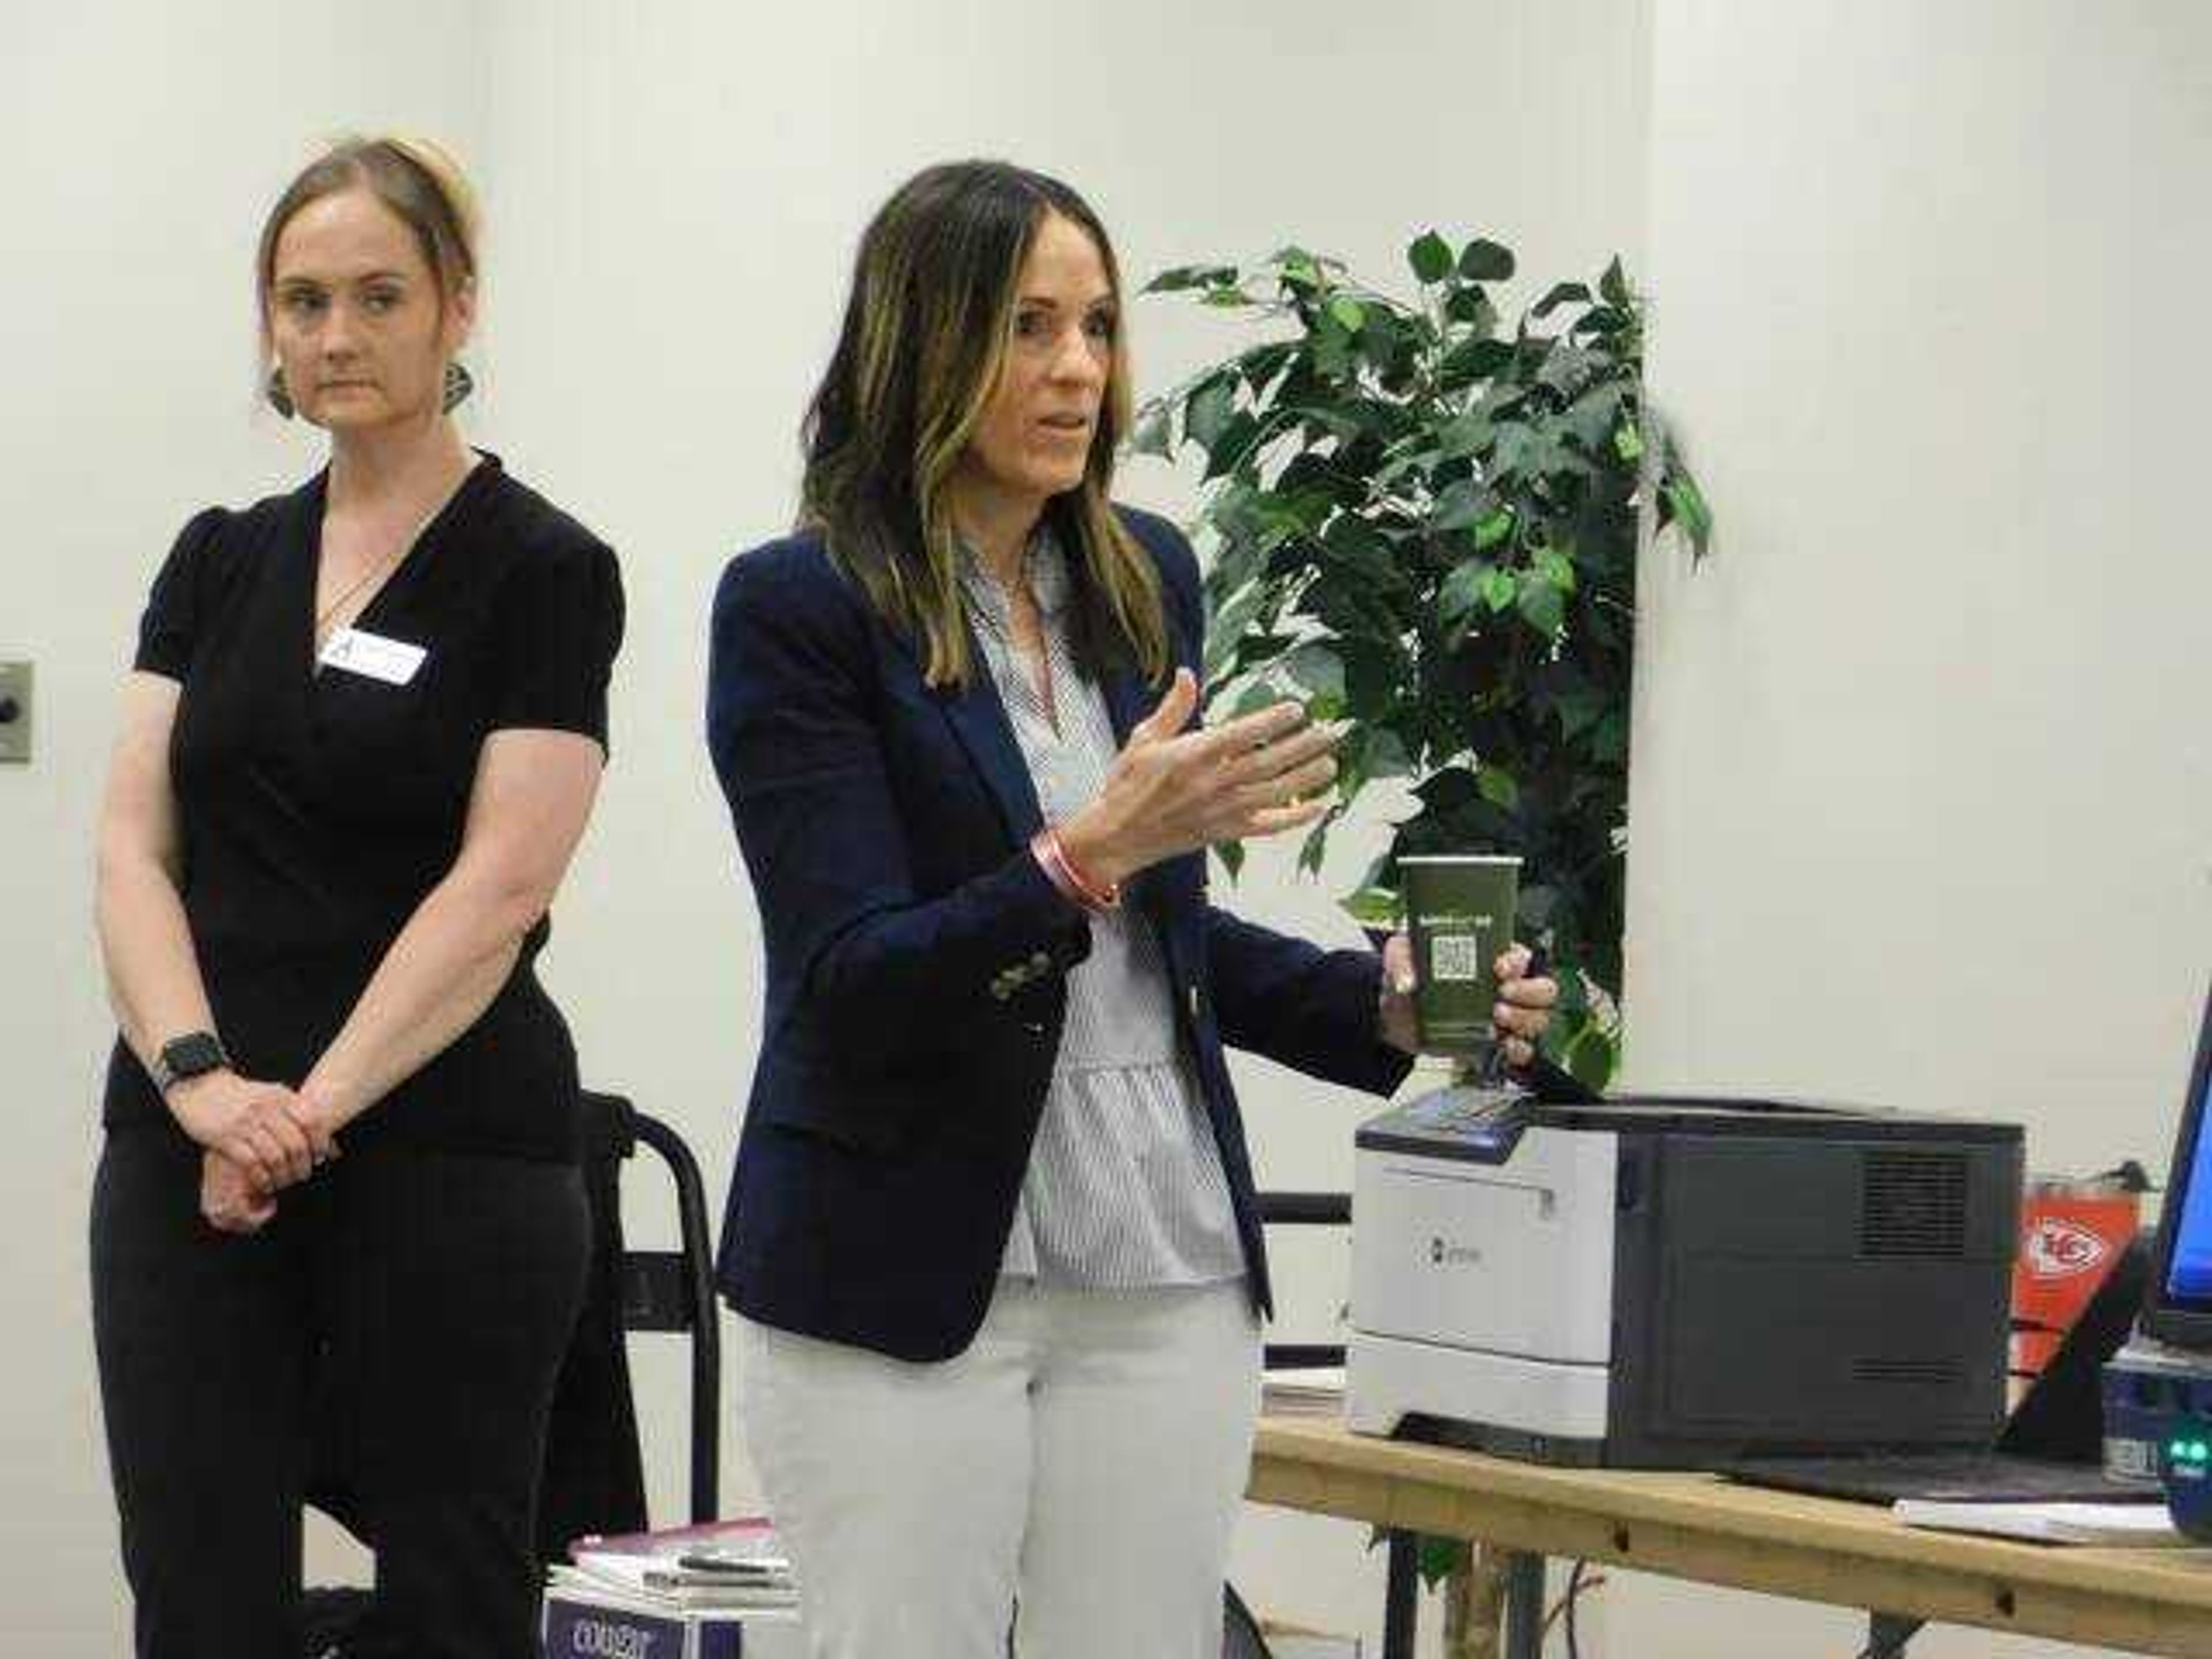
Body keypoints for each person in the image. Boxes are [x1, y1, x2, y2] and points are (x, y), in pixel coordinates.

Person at [705, 160, 1556, 1659]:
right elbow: (850, 978)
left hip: (1162, 1260)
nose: (1080, 369)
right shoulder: (800, 608)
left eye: (1097, 325)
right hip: (901, 1270)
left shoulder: (1143, 579)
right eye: (1029, 327)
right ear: (924, 341)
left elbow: (1159, 944)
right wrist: (1079, 855)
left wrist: (1383, 1005)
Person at [89, 135, 623, 1659]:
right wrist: (202, 1089)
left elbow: (501, 886)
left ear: (458, 307)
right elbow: (133, 846)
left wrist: (301, 1114)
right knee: (198, 1595)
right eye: (302, 299)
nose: (335, 337)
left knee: (453, 1597)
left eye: (378, 296)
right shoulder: (217, 560)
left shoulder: (545, 570)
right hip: (187, 1146)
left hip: (448, 1146)